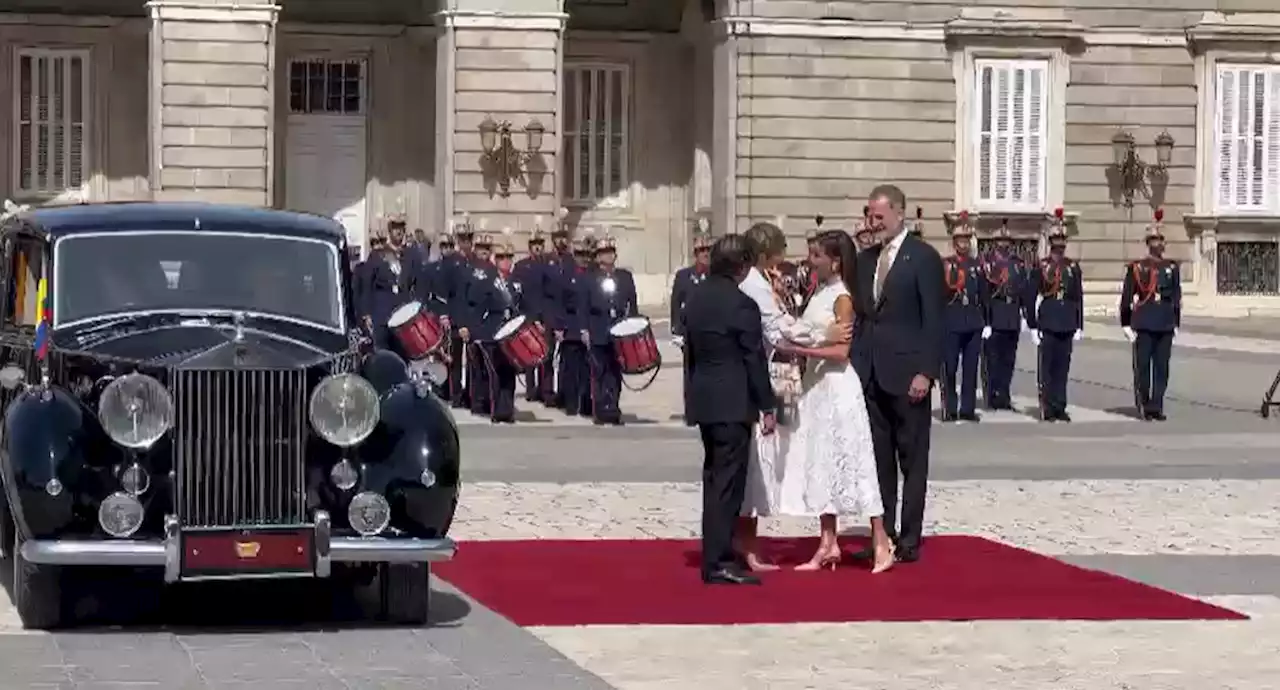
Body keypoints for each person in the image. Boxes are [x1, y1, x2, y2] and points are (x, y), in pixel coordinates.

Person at [772, 230, 895, 573]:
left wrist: (796, 350)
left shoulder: (842, 297)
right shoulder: (819, 292)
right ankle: (828, 542)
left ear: (835, 260)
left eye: (816, 256)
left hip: (838, 386)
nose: (810, 261)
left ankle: (881, 541)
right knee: (821, 463)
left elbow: (841, 352)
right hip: (816, 386)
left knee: (854, 462)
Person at [849, 184, 944, 564]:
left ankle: (910, 538)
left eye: (879, 216)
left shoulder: (922, 257)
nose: (873, 222)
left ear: (899, 213)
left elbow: (935, 320)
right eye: (870, 215)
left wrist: (926, 371)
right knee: (879, 461)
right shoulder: (867, 259)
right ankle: (882, 535)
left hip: (908, 375)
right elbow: (859, 307)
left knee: (912, 460)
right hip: (872, 373)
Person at [682, 234, 778, 586]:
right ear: (741, 267)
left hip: (706, 400)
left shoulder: (695, 298)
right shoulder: (742, 305)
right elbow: (753, 360)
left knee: (714, 480)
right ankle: (718, 560)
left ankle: (716, 550)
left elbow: (690, 351)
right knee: (727, 484)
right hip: (734, 402)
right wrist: (767, 405)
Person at [1120, 208, 1179, 421]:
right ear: (1148, 243)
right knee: (1143, 366)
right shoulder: (1137, 267)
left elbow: (1175, 297)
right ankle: (1144, 403)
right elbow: (1127, 295)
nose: (1159, 244)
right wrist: (1126, 323)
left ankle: (1157, 405)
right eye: (1155, 240)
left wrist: (1176, 322)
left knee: (1162, 367)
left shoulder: (1171, 267)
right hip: (1144, 322)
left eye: (1161, 240)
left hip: (1164, 322)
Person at [1025, 208, 1084, 422]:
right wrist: (1032, 325)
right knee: (1047, 369)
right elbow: (1031, 296)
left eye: (1062, 239)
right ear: (1050, 242)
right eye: (1056, 239)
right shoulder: (1041, 266)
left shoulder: (1072, 267)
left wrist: (1079, 324)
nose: (1060, 243)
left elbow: (1078, 297)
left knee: (1062, 368)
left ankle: (1060, 405)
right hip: (1048, 321)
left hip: (1067, 321)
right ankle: (1047, 407)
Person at [939, 211, 990, 423]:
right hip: (951, 320)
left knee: (970, 369)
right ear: (954, 241)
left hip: (973, 321)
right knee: (949, 367)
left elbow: (985, 294)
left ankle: (967, 409)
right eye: (960, 239)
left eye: (967, 240)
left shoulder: (977, 265)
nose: (964, 243)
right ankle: (949, 408)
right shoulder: (945, 264)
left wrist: (986, 321)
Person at [584, 231, 638, 426]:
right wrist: (584, 330)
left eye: (610, 252)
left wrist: (633, 326)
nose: (608, 256)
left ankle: (613, 409)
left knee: (615, 372)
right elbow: (584, 305)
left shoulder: (624, 276)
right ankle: (599, 410)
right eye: (604, 253)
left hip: (619, 330)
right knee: (599, 372)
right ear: (598, 257)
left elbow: (633, 303)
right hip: (598, 327)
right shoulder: (590, 278)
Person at [981, 219, 1029, 411]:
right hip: (995, 313)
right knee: (992, 359)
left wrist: (1025, 314)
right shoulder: (987, 263)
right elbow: (984, 292)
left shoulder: (1017, 264)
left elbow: (1023, 289)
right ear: (994, 242)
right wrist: (985, 319)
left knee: (1008, 360)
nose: (1004, 243)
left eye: (1007, 240)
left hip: (1011, 316)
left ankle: (1004, 394)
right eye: (1001, 240)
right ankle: (991, 395)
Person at [669, 219, 712, 349]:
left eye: (708, 250)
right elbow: (676, 303)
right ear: (696, 253)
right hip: (689, 331)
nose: (706, 253)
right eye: (702, 250)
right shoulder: (683, 276)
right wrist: (676, 329)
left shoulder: (716, 274)